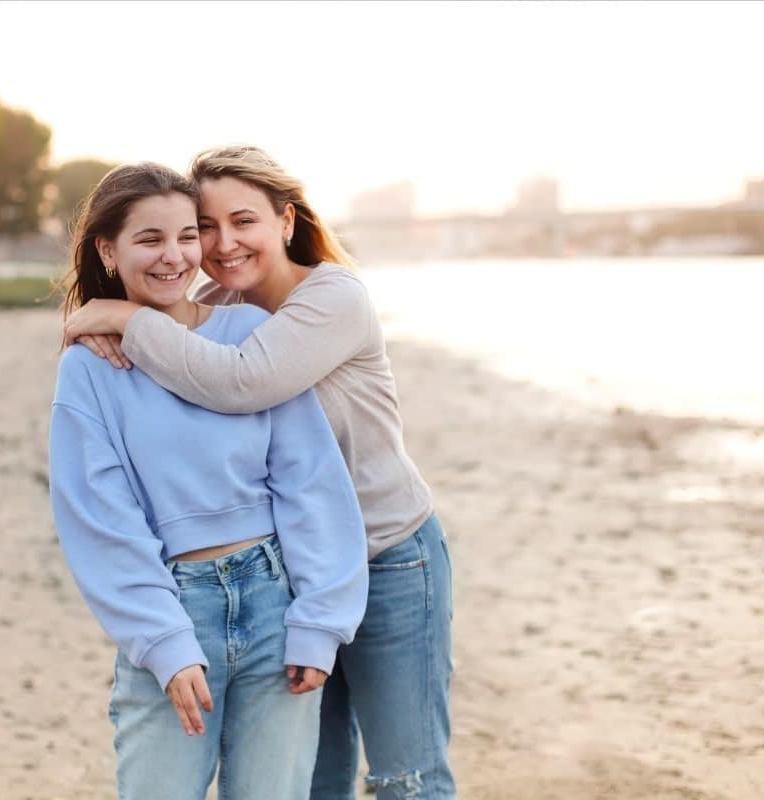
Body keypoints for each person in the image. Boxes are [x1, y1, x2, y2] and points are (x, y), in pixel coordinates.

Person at [62, 146, 456, 800]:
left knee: (406, 778)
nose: (221, 244)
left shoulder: (332, 295)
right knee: (317, 778)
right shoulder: (219, 307)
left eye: (242, 221)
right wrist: (105, 329)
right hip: (295, 572)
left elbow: (244, 382)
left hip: (386, 555)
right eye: (205, 227)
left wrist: (122, 317)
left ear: (286, 220)